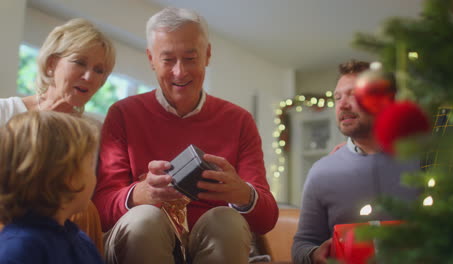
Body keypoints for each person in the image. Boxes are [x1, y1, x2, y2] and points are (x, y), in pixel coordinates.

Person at [93, 7, 278, 264]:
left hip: (214, 236)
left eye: (190, 58)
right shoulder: (123, 113)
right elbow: (100, 209)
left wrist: (242, 193)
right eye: (168, 60)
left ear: (207, 55)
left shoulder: (239, 120)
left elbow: (267, 219)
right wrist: (140, 194)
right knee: (146, 219)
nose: (180, 72)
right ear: (151, 59)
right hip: (144, 234)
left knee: (227, 221)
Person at [0, 18, 115, 253]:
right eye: (80, 63)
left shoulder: (95, 132)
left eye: (99, 70)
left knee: (86, 211)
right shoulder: (6, 111)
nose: (90, 77)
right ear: (52, 64)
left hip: (68, 225)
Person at [291, 60, 420, 264]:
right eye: (338, 97)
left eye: (353, 94)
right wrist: (314, 254)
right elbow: (302, 244)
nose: (342, 104)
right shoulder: (321, 172)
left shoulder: (424, 161)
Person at [0, 111, 103, 264]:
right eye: (90, 166)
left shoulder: (81, 240)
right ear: (70, 178)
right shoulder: (18, 249)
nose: (95, 178)